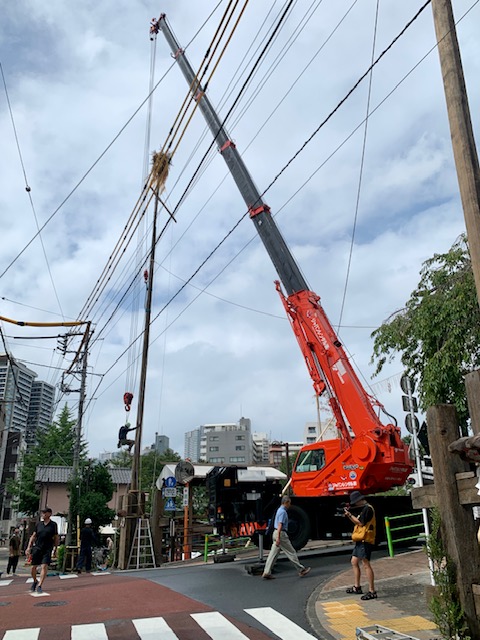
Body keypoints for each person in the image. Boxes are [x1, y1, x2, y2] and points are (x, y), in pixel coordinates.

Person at [262, 495, 311, 580]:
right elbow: (280, 524)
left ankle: (266, 572)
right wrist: (278, 537)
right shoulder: (283, 512)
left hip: (275, 532)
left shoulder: (279, 510)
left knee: (273, 554)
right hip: (281, 534)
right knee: (291, 552)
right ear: (286, 502)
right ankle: (301, 569)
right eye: (289, 503)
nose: (290, 505)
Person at [344, 490, 377, 600]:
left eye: (356, 501)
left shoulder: (368, 509)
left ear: (359, 500)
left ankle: (372, 590)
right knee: (354, 561)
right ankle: (357, 586)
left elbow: (360, 523)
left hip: (365, 539)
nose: (355, 504)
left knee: (366, 564)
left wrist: (349, 515)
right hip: (361, 539)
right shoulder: (365, 509)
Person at [26, 507, 59, 594]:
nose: (43, 514)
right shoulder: (39, 524)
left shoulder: (53, 525)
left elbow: (56, 537)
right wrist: (29, 547)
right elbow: (33, 536)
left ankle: (40, 585)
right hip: (37, 547)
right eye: (42, 513)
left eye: (45, 513)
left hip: (47, 548)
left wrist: (55, 548)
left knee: (44, 566)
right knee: (33, 567)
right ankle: (35, 581)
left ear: (49, 514)